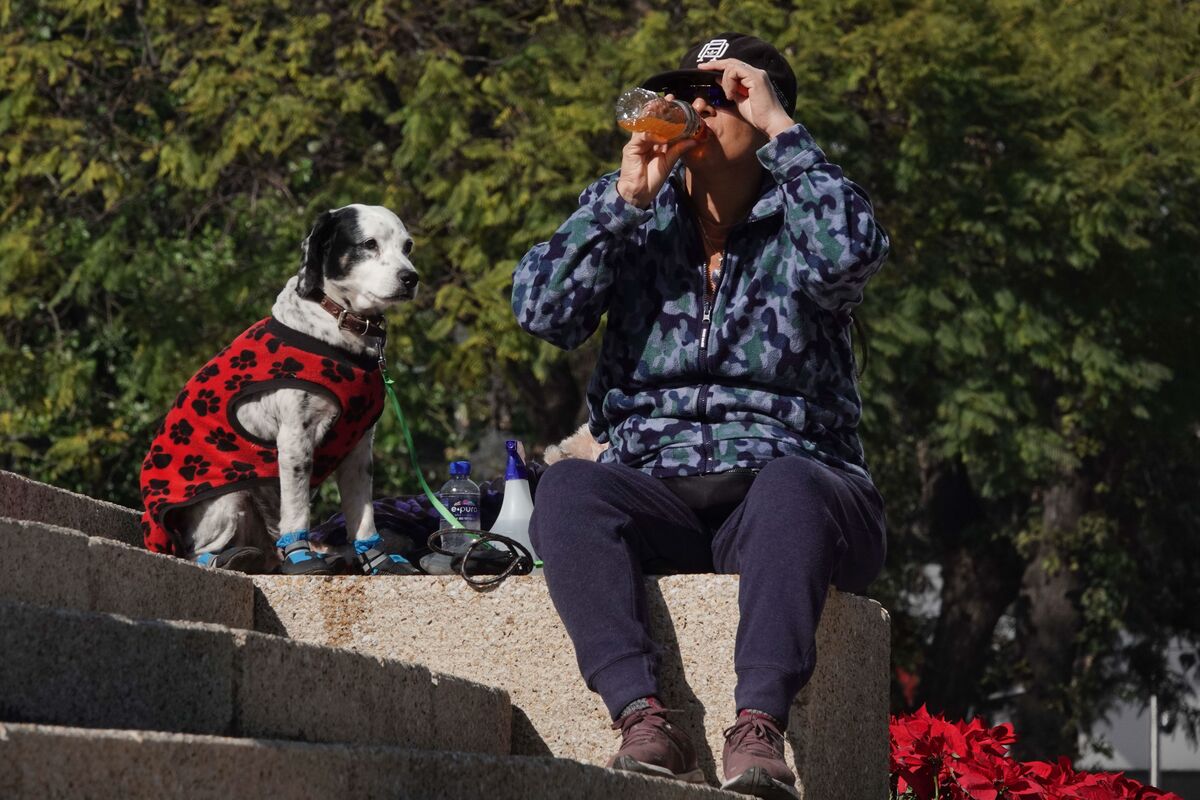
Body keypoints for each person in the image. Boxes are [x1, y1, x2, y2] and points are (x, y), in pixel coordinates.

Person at [511, 32, 889, 800]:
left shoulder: (806, 213)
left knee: (789, 485)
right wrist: (622, 205)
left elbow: (853, 256)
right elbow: (540, 312)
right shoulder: (634, 213)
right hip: (661, 489)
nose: (700, 108)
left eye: (726, 93)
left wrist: (785, 134)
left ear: (770, 107)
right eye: (690, 94)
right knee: (569, 490)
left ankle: (759, 729)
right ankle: (642, 717)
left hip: (797, 488)